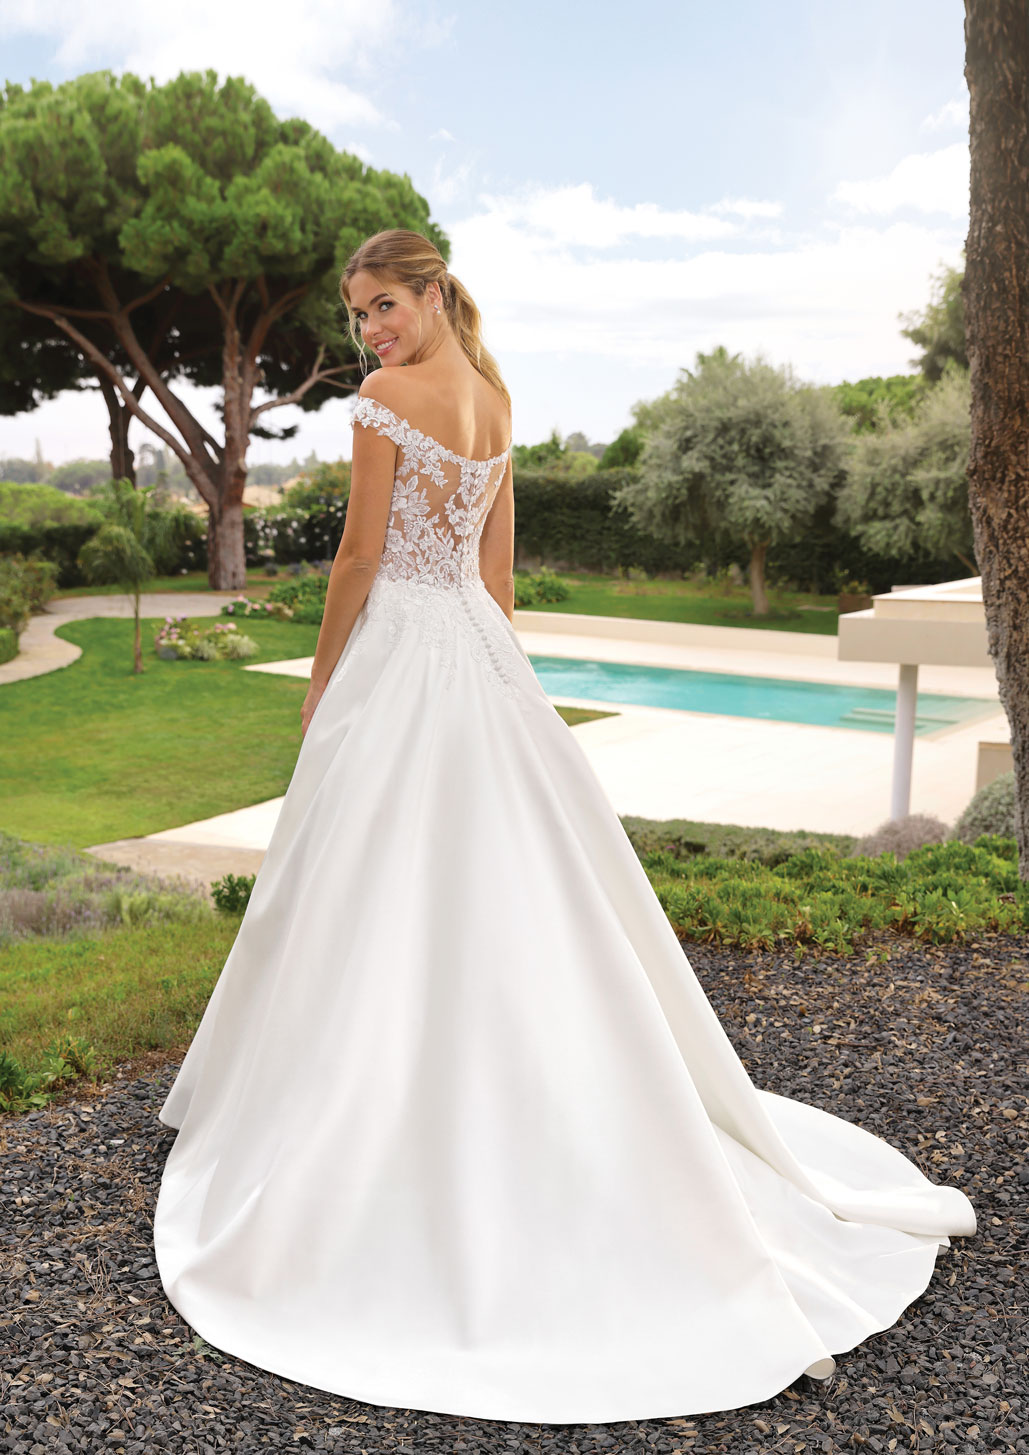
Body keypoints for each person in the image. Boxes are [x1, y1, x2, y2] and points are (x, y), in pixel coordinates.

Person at [152, 228, 977, 1426]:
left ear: (432, 292)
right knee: (495, 884)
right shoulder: (493, 400)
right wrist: (502, 684)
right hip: (473, 650)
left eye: (384, 307)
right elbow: (496, 580)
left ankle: (366, 1113)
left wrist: (326, 681)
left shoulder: (388, 403)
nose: (371, 334)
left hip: (404, 648)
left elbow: (361, 555)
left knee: (373, 878)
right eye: (360, 317)